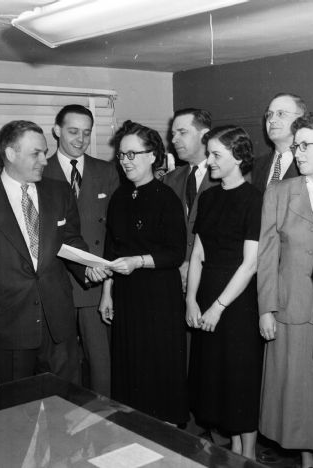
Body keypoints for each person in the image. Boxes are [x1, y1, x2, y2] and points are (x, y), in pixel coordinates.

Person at [0, 120, 109, 385]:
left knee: (66, 406)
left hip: (58, 325)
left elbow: (71, 241)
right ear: (10, 154)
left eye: (44, 152)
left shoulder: (59, 192)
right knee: (13, 411)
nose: (45, 160)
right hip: (7, 327)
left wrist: (88, 266)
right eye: (36, 153)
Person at [258, 113, 313, 468]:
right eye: (296, 146)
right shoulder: (279, 191)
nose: (298, 152)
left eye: (306, 145)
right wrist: (266, 308)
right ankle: (306, 462)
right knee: (298, 398)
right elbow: (266, 255)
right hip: (291, 311)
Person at [98, 120, 189, 425]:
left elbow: (175, 253)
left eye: (132, 154)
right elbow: (111, 249)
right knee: (130, 365)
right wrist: (107, 293)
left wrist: (138, 261)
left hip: (158, 296)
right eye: (122, 155)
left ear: (152, 156)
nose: (126, 161)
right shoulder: (119, 198)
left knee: (158, 366)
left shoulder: (166, 198)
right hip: (126, 295)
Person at [186, 126, 263, 459]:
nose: (209, 160)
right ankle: (233, 449)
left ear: (239, 157)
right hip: (206, 297)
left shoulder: (254, 199)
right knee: (215, 377)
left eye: (216, 154)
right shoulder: (208, 197)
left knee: (239, 378)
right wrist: (191, 300)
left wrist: (218, 307)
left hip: (237, 303)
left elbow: (250, 264)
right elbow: (198, 255)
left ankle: (250, 454)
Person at [43, 104, 119, 396]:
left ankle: (106, 426)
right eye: (73, 131)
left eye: (86, 133)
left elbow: (114, 234)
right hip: (55, 285)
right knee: (60, 367)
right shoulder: (41, 171)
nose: (81, 139)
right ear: (56, 131)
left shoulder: (106, 171)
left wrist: (108, 284)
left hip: (95, 284)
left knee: (102, 366)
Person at [163, 108, 218, 291]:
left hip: (214, 279)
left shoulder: (226, 177)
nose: (174, 140)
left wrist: (193, 265)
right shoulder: (170, 180)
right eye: (173, 134)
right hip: (176, 278)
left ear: (205, 135)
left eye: (182, 132)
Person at [251, 93, 306, 192]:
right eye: (269, 114)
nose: (271, 120)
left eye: (280, 114)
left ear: (300, 119)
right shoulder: (257, 166)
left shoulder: (311, 162)